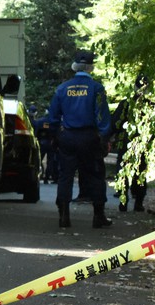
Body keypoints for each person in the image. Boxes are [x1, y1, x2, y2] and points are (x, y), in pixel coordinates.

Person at [48, 50, 113, 229]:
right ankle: (98, 216)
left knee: (65, 176)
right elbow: (102, 116)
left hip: (68, 137)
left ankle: (64, 216)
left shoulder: (62, 88)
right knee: (96, 175)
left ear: (74, 66)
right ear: (91, 67)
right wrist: (105, 137)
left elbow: (53, 116)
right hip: (89, 137)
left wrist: (54, 136)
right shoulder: (96, 88)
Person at [111, 74, 151, 212]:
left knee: (122, 171)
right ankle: (138, 202)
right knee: (140, 172)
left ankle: (123, 200)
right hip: (143, 143)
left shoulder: (125, 104)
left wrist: (110, 136)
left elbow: (115, 122)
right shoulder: (150, 105)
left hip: (125, 141)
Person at [33, 107, 59, 184]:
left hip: (42, 142)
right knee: (50, 161)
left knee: (39, 159)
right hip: (51, 142)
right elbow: (56, 133)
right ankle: (46, 178)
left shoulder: (41, 121)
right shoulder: (54, 121)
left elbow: (36, 133)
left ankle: (37, 175)